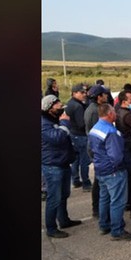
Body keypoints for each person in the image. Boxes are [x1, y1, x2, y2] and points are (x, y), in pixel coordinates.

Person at [88, 103, 131, 241]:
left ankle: (104, 225)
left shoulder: (95, 128)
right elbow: (116, 156)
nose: (116, 114)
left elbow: (90, 149)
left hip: (100, 169)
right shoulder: (111, 132)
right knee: (117, 201)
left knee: (104, 198)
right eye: (114, 112)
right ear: (109, 114)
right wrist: (117, 167)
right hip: (113, 171)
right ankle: (117, 230)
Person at [41, 95, 82, 238]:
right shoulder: (44, 123)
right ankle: (51, 228)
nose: (61, 108)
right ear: (50, 107)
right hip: (53, 165)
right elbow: (57, 137)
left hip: (62, 162)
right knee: (54, 198)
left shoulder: (53, 120)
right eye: (58, 105)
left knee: (64, 195)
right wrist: (64, 123)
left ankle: (64, 220)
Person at [115, 90, 131, 219]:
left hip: (125, 148)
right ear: (124, 102)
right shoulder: (129, 116)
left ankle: (129, 203)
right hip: (130, 148)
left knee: (130, 178)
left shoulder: (118, 112)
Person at [85, 85, 109, 218]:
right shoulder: (95, 111)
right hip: (96, 148)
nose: (106, 96)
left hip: (93, 147)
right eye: (104, 95)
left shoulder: (92, 108)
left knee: (99, 180)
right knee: (99, 181)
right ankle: (97, 208)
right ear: (99, 97)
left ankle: (99, 207)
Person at [65, 83, 92, 191]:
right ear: (74, 93)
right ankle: (86, 183)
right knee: (84, 161)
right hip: (80, 135)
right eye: (81, 92)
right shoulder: (77, 106)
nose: (84, 94)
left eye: (85, 92)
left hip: (73, 134)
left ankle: (75, 180)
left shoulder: (70, 103)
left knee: (75, 160)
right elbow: (81, 124)